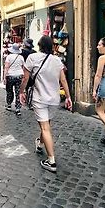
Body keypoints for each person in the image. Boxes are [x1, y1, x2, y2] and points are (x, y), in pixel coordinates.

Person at [19, 35, 72, 173]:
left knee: (45, 128)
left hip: (40, 98)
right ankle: (40, 143)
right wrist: (68, 97)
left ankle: (51, 160)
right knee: (46, 124)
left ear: (39, 45)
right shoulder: (57, 60)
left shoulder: (33, 58)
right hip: (54, 99)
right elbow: (63, 80)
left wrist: (21, 92)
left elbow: (25, 78)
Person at [3, 43, 25, 116]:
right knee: (18, 91)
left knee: (9, 91)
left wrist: (4, 77)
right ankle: (18, 108)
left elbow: (6, 67)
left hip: (10, 75)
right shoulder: (21, 57)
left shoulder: (9, 57)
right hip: (19, 75)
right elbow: (23, 67)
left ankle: (9, 105)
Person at [21, 38, 37, 109]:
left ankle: (26, 100)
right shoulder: (34, 52)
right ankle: (31, 102)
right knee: (32, 86)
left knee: (25, 85)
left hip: (25, 70)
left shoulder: (22, 52)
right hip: (33, 71)